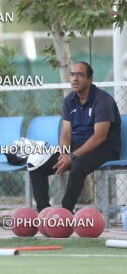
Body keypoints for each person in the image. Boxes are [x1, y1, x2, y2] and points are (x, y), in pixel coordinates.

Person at [29, 62, 121, 212]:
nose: (75, 79)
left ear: (90, 79)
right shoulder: (69, 101)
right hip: (76, 147)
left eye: (80, 75)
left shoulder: (103, 101)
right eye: (72, 74)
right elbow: (65, 132)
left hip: (105, 148)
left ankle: (65, 212)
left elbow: (99, 137)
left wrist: (71, 157)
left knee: (77, 166)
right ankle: (44, 213)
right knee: (36, 165)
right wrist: (64, 153)